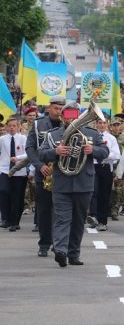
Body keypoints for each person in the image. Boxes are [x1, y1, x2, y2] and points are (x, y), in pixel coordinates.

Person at [39, 102, 109, 267]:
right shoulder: (53, 135)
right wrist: (55, 152)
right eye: (68, 114)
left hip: (84, 183)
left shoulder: (91, 134)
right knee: (62, 219)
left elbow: (105, 152)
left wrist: (93, 150)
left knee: (78, 220)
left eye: (74, 114)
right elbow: (41, 154)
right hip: (62, 184)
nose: (71, 118)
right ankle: (61, 251)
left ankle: (73, 254)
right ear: (62, 116)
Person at [25, 96, 65, 256]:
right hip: (45, 173)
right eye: (56, 108)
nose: (59, 111)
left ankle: (59, 244)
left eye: (62, 108)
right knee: (44, 211)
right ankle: (44, 244)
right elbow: (30, 148)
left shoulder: (69, 124)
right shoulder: (38, 124)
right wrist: (39, 165)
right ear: (49, 108)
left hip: (63, 173)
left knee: (61, 212)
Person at [90, 117, 121, 231]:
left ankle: (102, 221)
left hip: (106, 167)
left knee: (104, 194)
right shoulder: (92, 136)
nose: (102, 125)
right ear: (96, 124)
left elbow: (117, 155)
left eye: (104, 123)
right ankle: (93, 216)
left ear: (107, 124)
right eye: (99, 123)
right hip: (93, 166)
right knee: (93, 192)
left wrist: (102, 154)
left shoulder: (111, 138)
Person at [0, 118, 28, 231]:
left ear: (18, 127)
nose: (11, 128)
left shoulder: (23, 138)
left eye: (14, 125)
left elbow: (28, 153)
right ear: (6, 127)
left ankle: (15, 222)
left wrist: (17, 158)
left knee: (17, 197)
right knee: (3, 190)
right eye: (9, 125)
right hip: (5, 169)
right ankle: (5, 218)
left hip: (19, 170)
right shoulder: (2, 139)